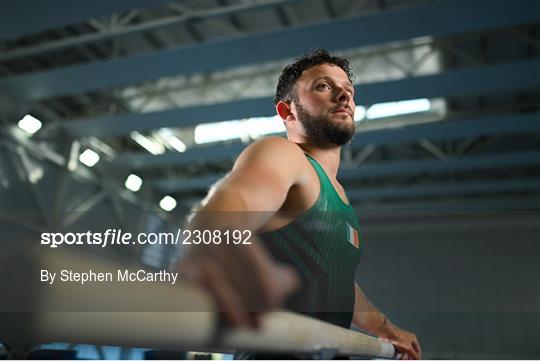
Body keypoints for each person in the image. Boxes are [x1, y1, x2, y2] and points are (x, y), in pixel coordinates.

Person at [179, 49, 421, 359]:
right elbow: (222, 214)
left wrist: (385, 327)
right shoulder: (284, 156)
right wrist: (213, 240)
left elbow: (332, 276)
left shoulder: (339, 195)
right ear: (287, 110)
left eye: (348, 91)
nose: (343, 96)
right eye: (323, 86)